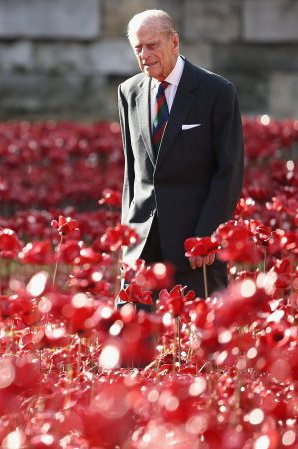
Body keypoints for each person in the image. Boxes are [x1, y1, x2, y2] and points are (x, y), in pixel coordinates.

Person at [117, 10, 244, 305]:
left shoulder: (217, 92)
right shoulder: (128, 91)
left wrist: (207, 236)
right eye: (138, 47)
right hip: (142, 245)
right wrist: (127, 235)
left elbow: (229, 171)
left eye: (152, 45)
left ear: (174, 42)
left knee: (196, 343)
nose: (144, 54)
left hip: (195, 248)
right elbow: (131, 174)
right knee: (134, 343)